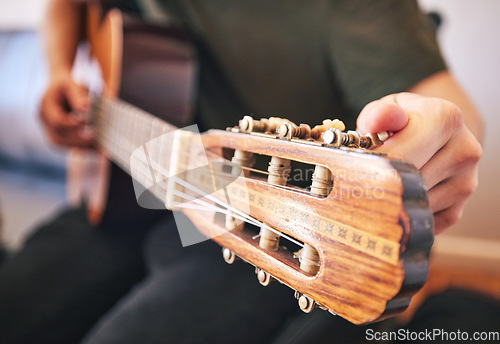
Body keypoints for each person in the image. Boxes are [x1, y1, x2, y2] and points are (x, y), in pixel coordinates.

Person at [0, 0, 484, 343]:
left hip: (258, 221)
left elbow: (450, 111)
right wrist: (61, 71)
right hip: (125, 189)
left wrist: (442, 141)